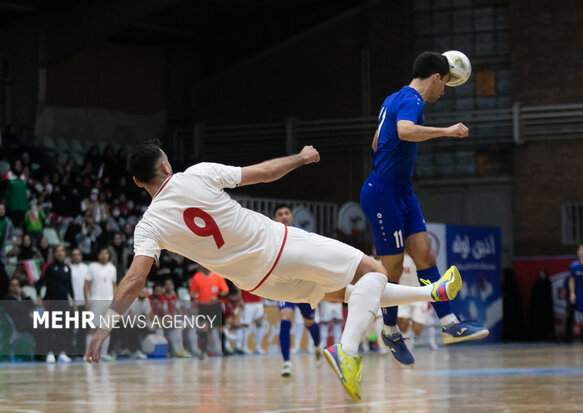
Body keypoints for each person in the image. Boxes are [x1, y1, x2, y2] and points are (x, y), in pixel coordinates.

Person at [85, 139, 462, 401]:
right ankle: (346, 351)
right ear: (166, 165)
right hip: (279, 246)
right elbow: (264, 173)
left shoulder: (148, 226)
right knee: (373, 271)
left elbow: (134, 280)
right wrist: (300, 157)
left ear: (138, 182)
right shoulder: (196, 174)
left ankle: (433, 292)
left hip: (258, 281)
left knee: (349, 294)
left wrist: (105, 327)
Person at [359, 51, 488, 365]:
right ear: (435, 77)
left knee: (426, 255)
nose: (443, 92)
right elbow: (403, 131)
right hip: (383, 193)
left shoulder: (393, 99)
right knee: (390, 268)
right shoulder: (412, 101)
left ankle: (450, 325)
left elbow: (378, 140)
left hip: (403, 189)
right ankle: (390, 331)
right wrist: (446, 131)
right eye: (444, 85)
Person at [272, 204, 322, 377]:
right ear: (275, 219)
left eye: (287, 213)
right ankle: (286, 363)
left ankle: (317, 345)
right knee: (285, 319)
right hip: (284, 285)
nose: (284, 216)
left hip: (304, 285)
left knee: (309, 323)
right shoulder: (271, 237)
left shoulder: (302, 234)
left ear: (291, 216)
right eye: (280, 214)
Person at [35, 245, 74, 363]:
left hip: (64, 301)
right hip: (51, 300)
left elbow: (69, 286)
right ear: (54, 254)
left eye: (62, 251)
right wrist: (38, 295)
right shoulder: (49, 267)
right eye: (58, 251)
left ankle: (61, 352)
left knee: (63, 328)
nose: (60, 253)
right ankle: (49, 353)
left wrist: (74, 300)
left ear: (65, 254)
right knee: (50, 327)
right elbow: (40, 282)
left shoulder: (67, 268)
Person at [396, 254, 437, 351]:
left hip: (419, 292)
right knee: (402, 325)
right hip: (403, 291)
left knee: (418, 330)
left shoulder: (422, 255)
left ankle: (410, 320)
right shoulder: (397, 255)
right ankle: (406, 347)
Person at [84, 247, 117, 361]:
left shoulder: (112, 268)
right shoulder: (92, 267)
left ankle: (104, 354)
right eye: (102, 253)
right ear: (98, 255)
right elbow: (86, 285)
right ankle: (88, 353)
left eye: (106, 253)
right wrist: (87, 300)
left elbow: (114, 286)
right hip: (96, 301)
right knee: (93, 328)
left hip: (109, 301)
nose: (104, 255)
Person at [69, 248, 90, 355]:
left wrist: (88, 301)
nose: (76, 256)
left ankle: (81, 353)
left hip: (84, 303)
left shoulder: (87, 268)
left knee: (83, 330)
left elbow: (89, 286)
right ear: (72, 257)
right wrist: (72, 302)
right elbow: (68, 287)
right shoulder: (69, 269)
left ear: (81, 256)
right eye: (74, 254)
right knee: (70, 329)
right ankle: (70, 353)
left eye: (78, 254)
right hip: (72, 304)